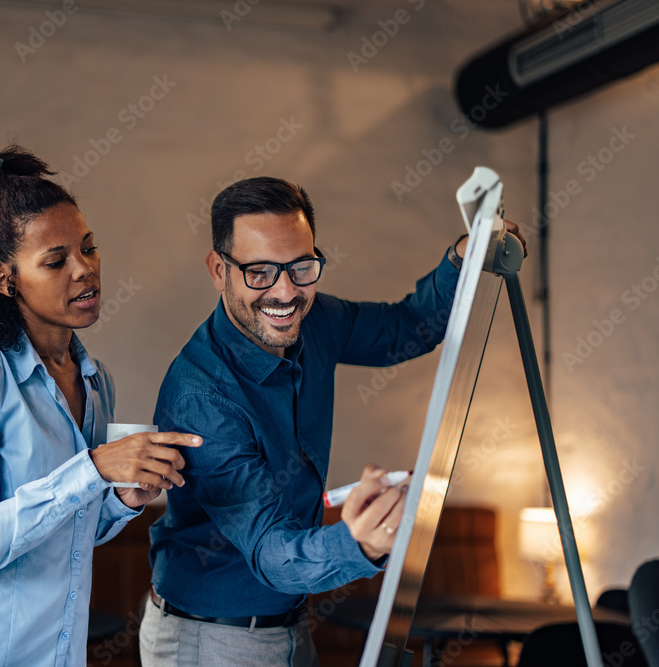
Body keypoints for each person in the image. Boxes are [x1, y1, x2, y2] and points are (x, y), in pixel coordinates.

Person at [140, 176, 525, 666]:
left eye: (301, 267)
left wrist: (462, 258)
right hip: (209, 640)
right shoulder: (201, 396)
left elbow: (406, 329)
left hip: (291, 623)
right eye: (259, 271)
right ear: (219, 270)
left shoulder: (315, 319)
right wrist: (356, 542)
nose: (285, 292)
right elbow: (270, 551)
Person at [0, 146, 201, 667]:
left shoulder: (96, 381)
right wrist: (93, 467)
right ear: (6, 281)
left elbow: (76, 528)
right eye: (55, 261)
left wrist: (125, 496)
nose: (84, 270)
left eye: (89, 249)